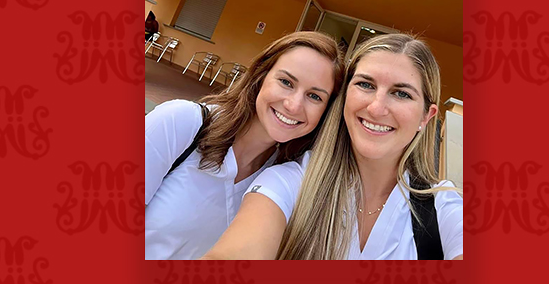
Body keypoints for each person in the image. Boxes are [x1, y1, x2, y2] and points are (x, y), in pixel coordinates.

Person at [203, 33, 463, 260]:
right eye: (365, 84)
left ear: (425, 117)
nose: (376, 107)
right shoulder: (291, 181)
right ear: (345, 96)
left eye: (402, 93)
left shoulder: (443, 207)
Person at [145, 31, 344, 259]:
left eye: (315, 96)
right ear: (260, 77)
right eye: (286, 82)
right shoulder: (180, 122)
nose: (293, 105)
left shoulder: (282, 180)